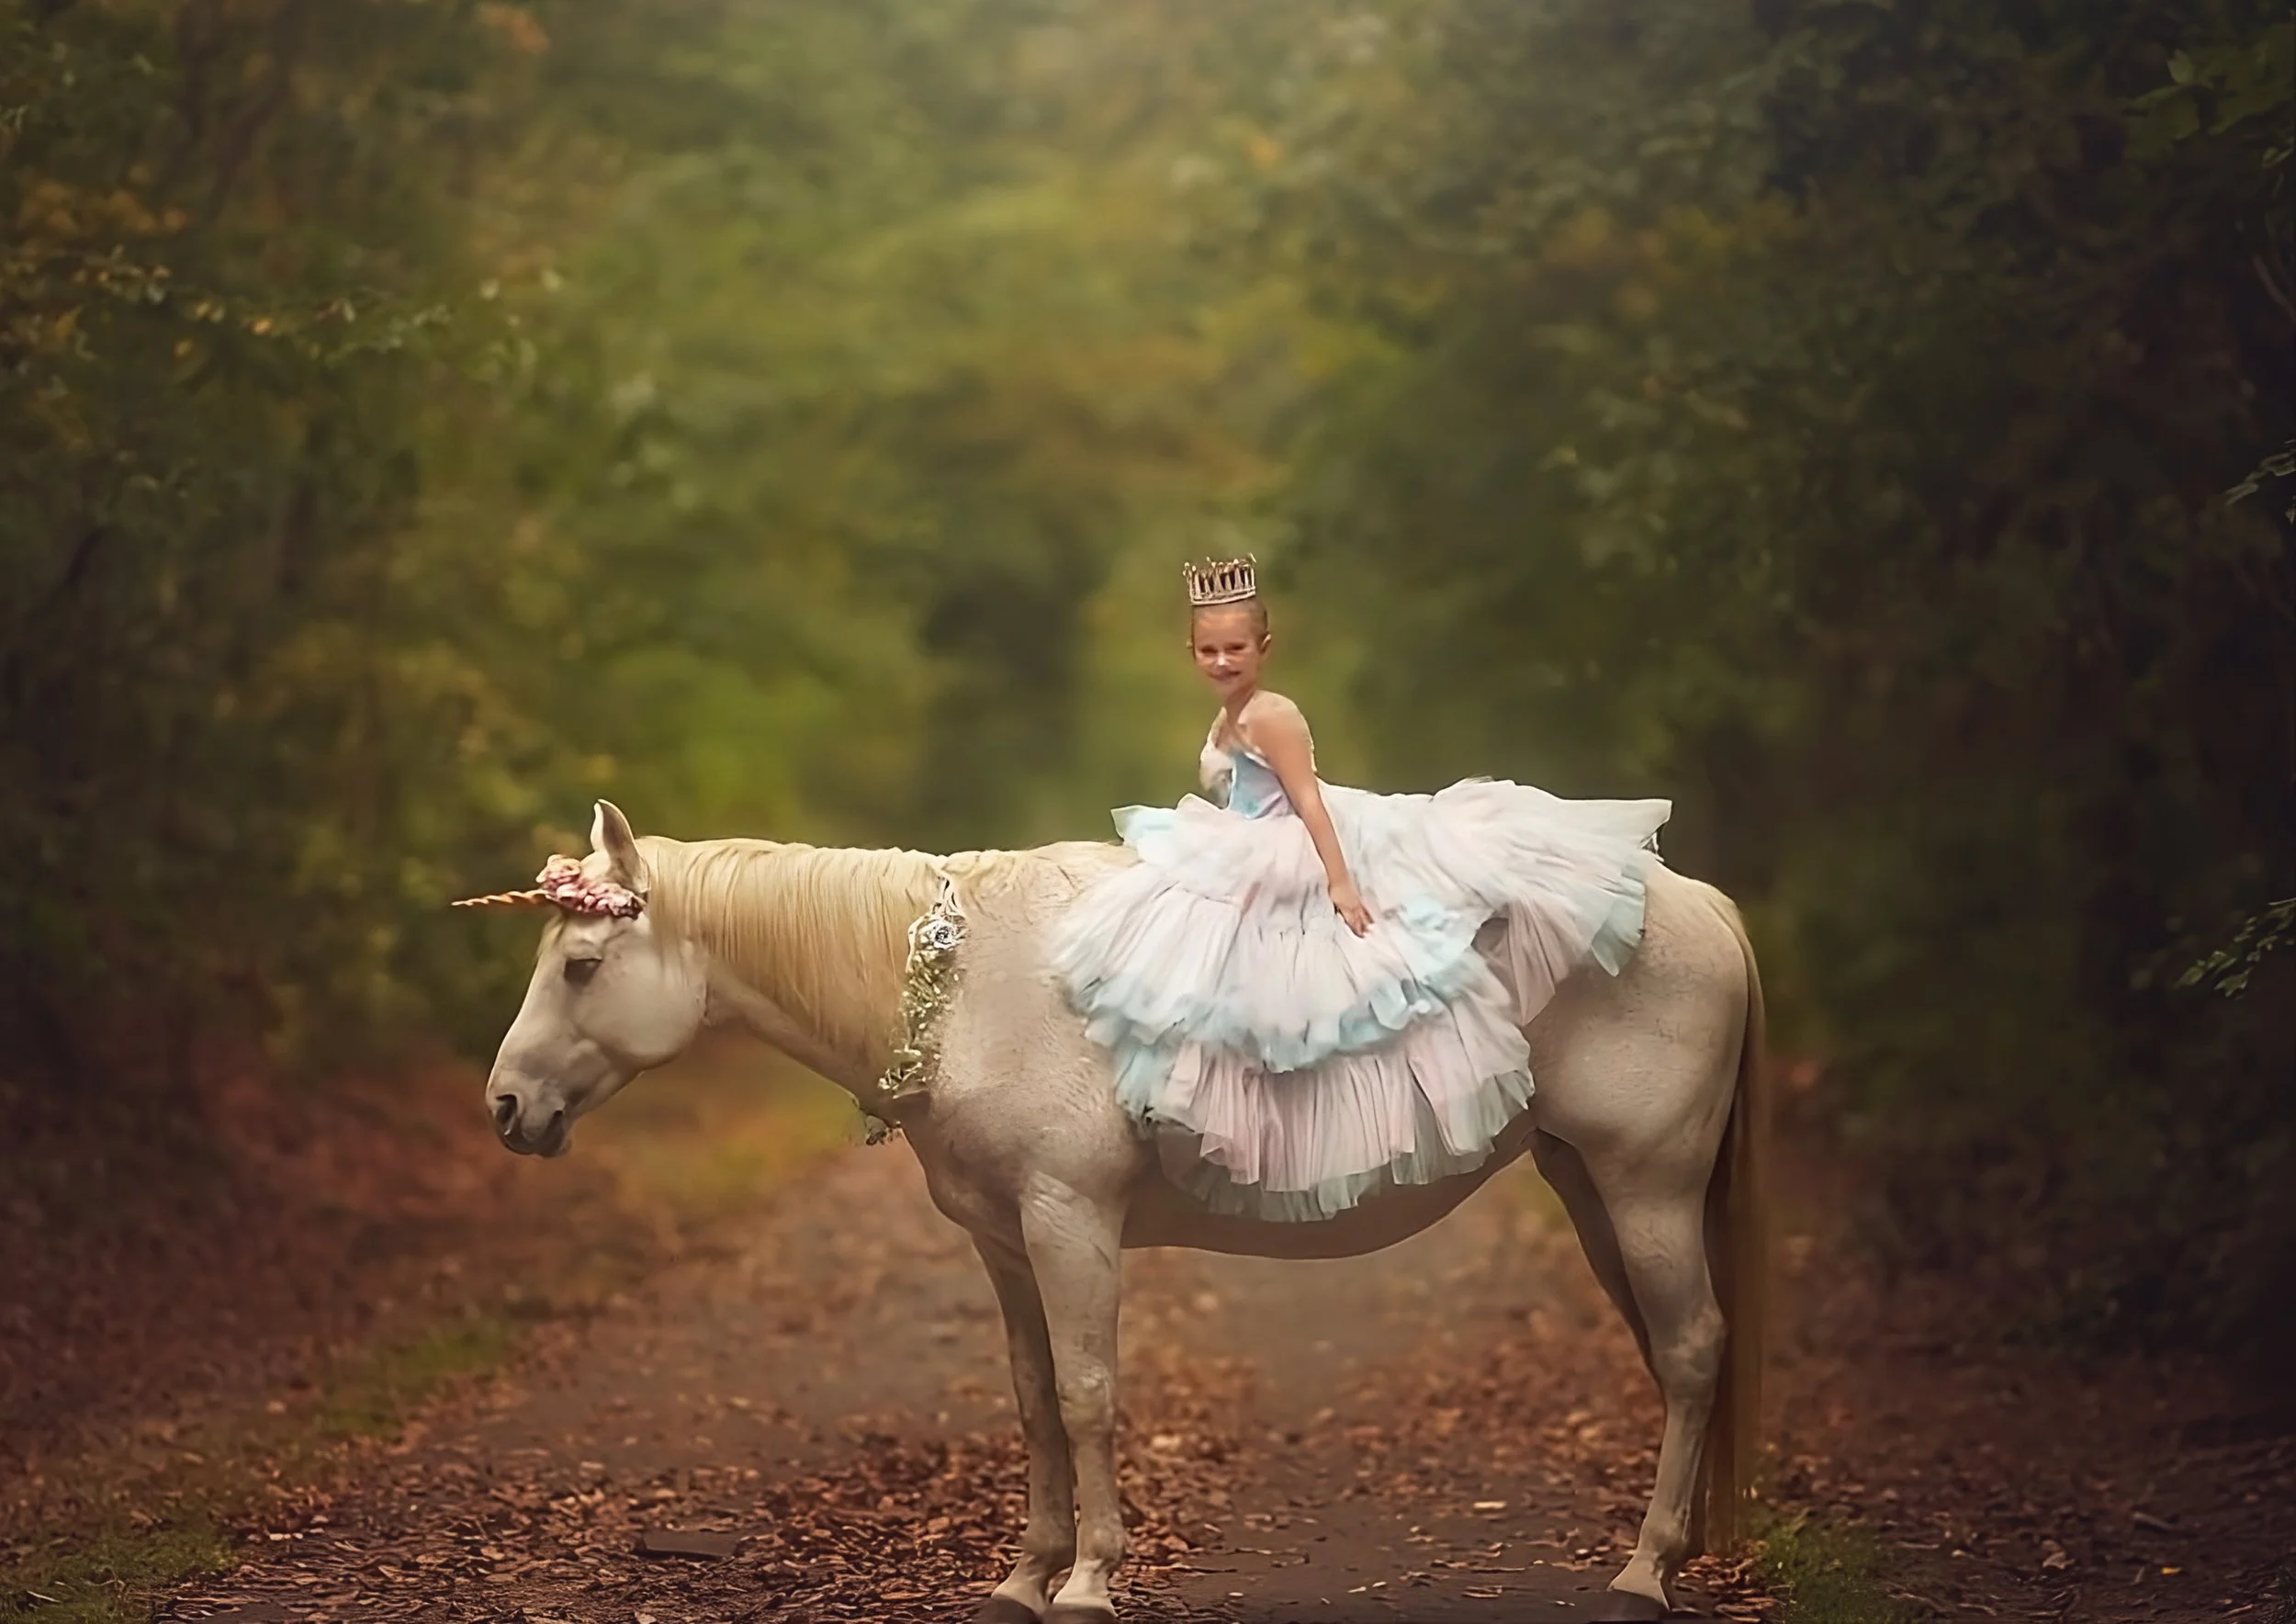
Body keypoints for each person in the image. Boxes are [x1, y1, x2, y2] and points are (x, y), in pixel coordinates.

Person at [1050, 556, 1671, 1221]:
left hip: (1295, 843)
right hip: (1244, 842)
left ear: (1264, 648)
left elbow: (1309, 802)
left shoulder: (1272, 715)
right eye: (1209, 650)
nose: (1223, 662)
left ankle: (1300, 1119)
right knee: (1203, 971)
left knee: (1318, 985)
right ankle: (1207, 1107)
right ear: (1191, 652)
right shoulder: (1228, 717)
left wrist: (1340, 883)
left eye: (1236, 649)